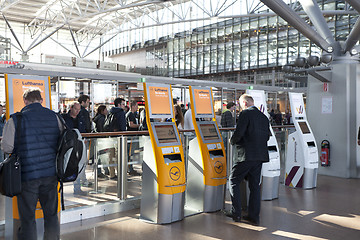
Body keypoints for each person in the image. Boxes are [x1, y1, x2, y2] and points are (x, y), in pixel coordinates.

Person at [1, 88, 63, 240]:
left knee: (28, 217)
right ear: (41, 100)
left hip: (27, 176)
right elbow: (62, 141)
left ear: (25, 101)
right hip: (51, 174)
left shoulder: (16, 119)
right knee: (51, 215)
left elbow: (7, 147)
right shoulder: (55, 117)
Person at [225, 94, 270, 225]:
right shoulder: (263, 117)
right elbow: (267, 137)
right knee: (255, 186)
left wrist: (231, 141)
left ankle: (236, 213)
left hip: (245, 156)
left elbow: (239, 133)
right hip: (260, 156)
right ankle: (254, 217)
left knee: (233, 180)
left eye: (239, 104)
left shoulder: (245, 114)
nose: (239, 107)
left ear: (245, 103)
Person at [62, 101, 90, 194]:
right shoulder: (64, 118)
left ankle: (77, 188)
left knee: (78, 164)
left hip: (79, 144)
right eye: (75, 109)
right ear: (71, 108)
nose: (77, 111)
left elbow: (84, 130)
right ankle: (61, 189)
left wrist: (84, 137)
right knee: (65, 164)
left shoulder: (81, 118)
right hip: (67, 145)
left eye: (79, 109)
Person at [108, 98, 127, 180]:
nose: (124, 106)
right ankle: (121, 175)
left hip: (111, 136)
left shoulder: (111, 112)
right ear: (118, 105)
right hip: (119, 137)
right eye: (123, 104)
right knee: (120, 156)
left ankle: (112, 174)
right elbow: (123, 126)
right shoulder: (121, 112)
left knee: (111, 156)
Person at [93, 105, 110, 179]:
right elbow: (101, 129)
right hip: (101, 139)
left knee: (100, 155)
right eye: (106, 109)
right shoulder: (101, 118)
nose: (107, 111)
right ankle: (101, 171)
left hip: (97, 139)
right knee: (102, 155)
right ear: (102, 111)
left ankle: (104, 170)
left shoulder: (97, 117)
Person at [126, 101, 141, 176]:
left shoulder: (131, 114)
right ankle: (130, 169)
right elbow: (131, 125)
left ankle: (129, 168)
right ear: (133, 106)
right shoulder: (130, 114)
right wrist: (139, 125)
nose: (137, 107)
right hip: (131, 136)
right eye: (136, 106)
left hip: (131, 136)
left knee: (130, 153)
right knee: (130, 153)